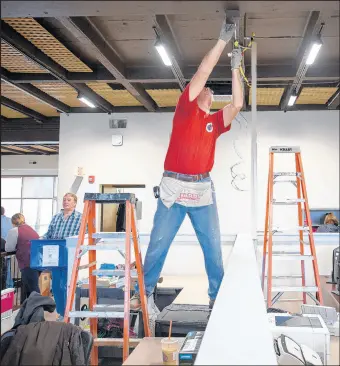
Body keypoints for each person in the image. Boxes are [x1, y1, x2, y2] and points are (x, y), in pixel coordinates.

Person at [131, 18, 243, 310]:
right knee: (158, 244)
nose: (210, 91)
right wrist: (223, 40)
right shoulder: (185, 109)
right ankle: (142, 293)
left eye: (211, 92)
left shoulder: (215, 123)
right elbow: (203, 71)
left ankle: (216, 296)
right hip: (174, 187)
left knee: (212, 248)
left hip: (202, 189)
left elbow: (238, 104)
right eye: (206, 89)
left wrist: (236, 66)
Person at [5, 213, 40, 301]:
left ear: (13, 222)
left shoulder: (14, 231)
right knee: (30, 287)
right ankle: (29, 310)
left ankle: (38, 310)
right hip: (37, 261)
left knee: (33, 289)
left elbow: (8, 248)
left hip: (26, 262)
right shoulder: (31, 228)